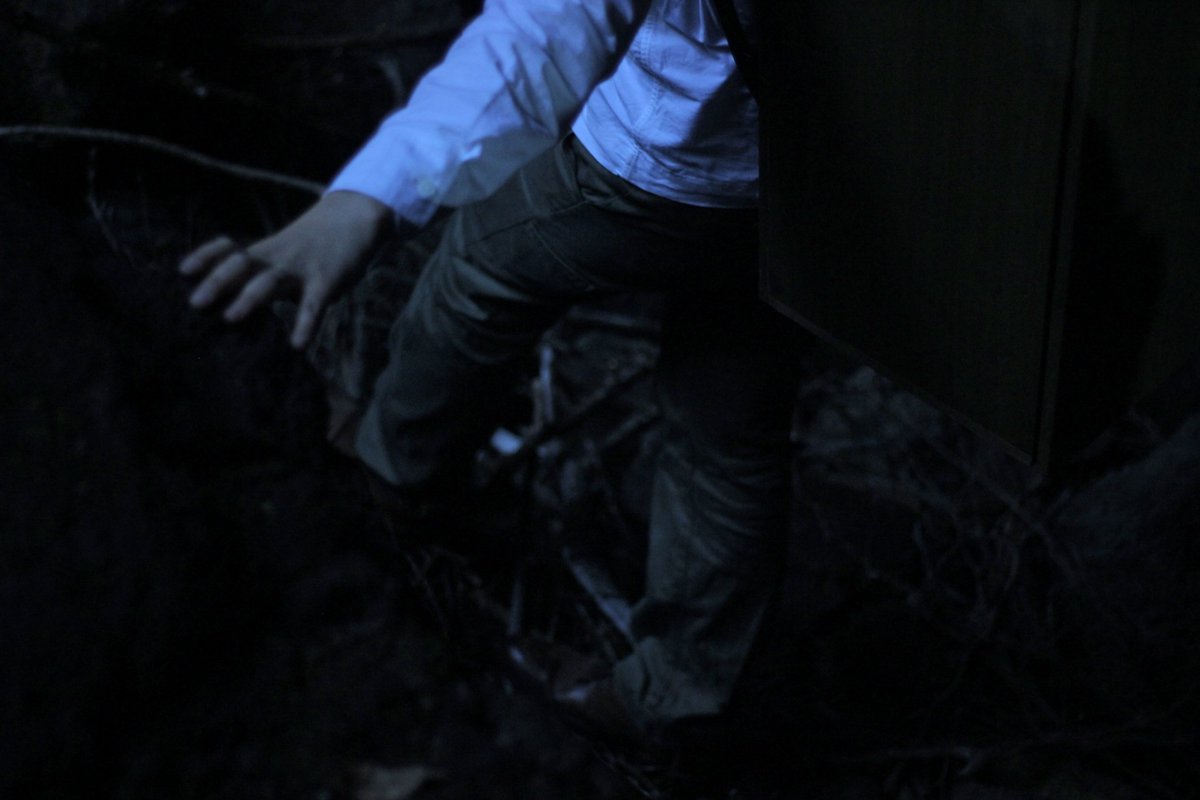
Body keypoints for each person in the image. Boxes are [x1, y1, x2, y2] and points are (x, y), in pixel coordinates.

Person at [179, 0, 800, 749]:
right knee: (730, 429)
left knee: (482, 270)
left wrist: (368, 196)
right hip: (811, 188)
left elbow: (552, 27)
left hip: (666, 155)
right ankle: (676, 701)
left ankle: (395, 479)